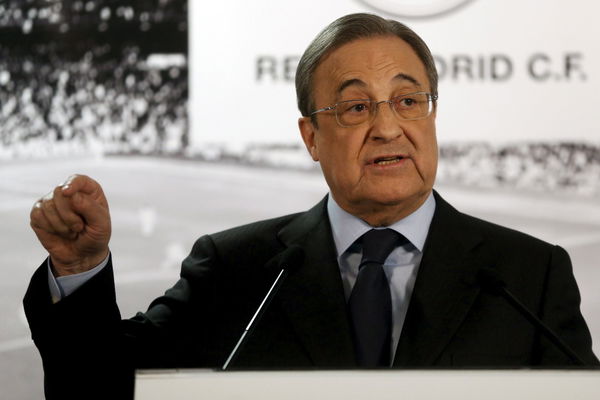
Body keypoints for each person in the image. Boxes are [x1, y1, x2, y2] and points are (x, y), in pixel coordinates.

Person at [24, 13, 598, 400]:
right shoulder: (235, 268)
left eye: (407, 100)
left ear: (432, 114)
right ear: (310, 137)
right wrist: (79, 271)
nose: (387, 127)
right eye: (354, 107)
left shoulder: (528, 273)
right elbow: (96, 386)